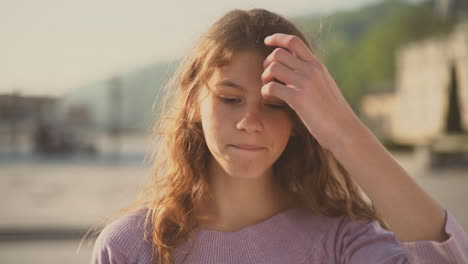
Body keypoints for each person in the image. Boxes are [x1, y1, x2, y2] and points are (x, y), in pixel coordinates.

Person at [88, 8, 468, 264]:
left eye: (275, 104)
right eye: (230, 98)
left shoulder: (342, 242)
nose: (251, 121)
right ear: (191, 103)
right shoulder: (130, 246)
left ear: (300, 117)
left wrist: (344, 132)